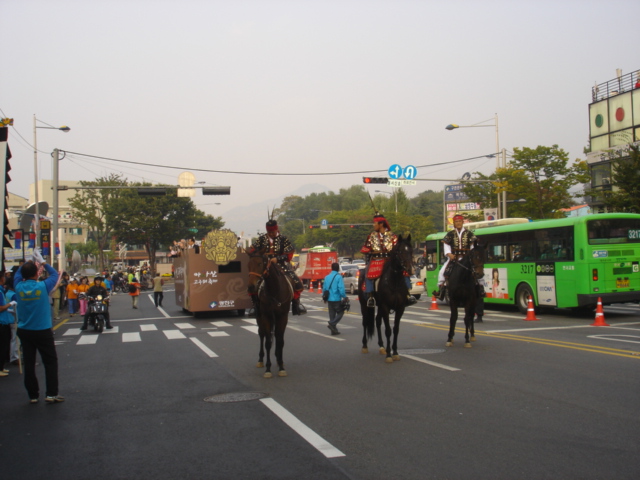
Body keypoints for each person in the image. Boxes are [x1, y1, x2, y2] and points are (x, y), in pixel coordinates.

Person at [14, 249, 64, 403]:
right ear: (37, 273)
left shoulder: (18, 287)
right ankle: (51, 394)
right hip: (42, 330)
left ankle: (33, 395)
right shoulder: (43, 286)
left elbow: (17, 275)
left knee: (29, 363)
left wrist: (27, 261)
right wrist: (43, 262)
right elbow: (55, 275)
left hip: (24, 330)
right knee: (50, 361)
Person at [248, 219, 304, 316]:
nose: (271, 234)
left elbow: (289, 255)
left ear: (276, 230)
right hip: (264, 265)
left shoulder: (283, 239)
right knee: (252, 282)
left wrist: (277, 259)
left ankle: (296, 304)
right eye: (269, 232)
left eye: (273, 232)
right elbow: (253, 251)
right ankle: (255, 305)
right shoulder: (261, 239)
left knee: (296, 281)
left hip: (280, 265)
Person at [361, 213, 415, 308]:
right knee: (367, 274)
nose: (374, 225)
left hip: (389, 260)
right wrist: (370, 251)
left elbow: (397, 249)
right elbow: (366, 248)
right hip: (376, 260)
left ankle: (407, 294)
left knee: (404, 272)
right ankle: (370, 296)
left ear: (381, 224)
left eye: (375, 223)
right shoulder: (371, 236)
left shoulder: (392, 236)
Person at [432, 214, 477, 300]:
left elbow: (473, 246)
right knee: (442, 272)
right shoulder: (450, 234)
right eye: (456, 222)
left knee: (478, 272)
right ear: (454, 223)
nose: (458, 223)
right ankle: (441, 290)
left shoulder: (469, 233)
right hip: (454, 258)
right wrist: (449, 254)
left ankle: (481, 289)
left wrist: (471, 255)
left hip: (467, 258)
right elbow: (446, 245)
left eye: (460, 221)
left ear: (462, 222)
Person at [323, 263, 347, 335]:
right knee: (340, 312)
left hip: (329, 299)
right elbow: (341, 288)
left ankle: (333, 331)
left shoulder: (327, 277)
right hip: (336, 299)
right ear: (338, 269)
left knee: (332, 315)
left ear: (331, 268)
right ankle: (332, 323)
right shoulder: (339, 277)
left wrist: (324, 297)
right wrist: (344, 296)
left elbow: (324, 288)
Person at [0, 272, 16, 377]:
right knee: (2, 345)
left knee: (5, 344)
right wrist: (10, 304)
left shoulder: (2, 291)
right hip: (1, 322)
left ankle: (1, 367)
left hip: (5, 321)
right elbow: (0, 308)